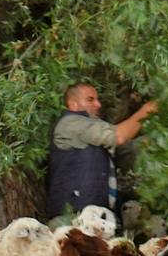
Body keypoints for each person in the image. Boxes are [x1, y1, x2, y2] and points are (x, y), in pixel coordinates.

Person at [44, 82, 159, 220]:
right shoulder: (71, 123)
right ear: (73, 104)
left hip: (95, 218)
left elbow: (125, 146)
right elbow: (119, 137)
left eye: (97, 100)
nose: (98, 104)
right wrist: (147, 110)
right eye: (90, 99)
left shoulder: (92, 130)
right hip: (73, 218)